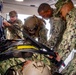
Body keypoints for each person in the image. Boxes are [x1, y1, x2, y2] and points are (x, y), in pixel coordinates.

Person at [55, 0, 76, 75]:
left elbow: (69, 38)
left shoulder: (73, 16)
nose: (61, 16)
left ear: (65, 7)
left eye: (60, 13)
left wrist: (60, 55)